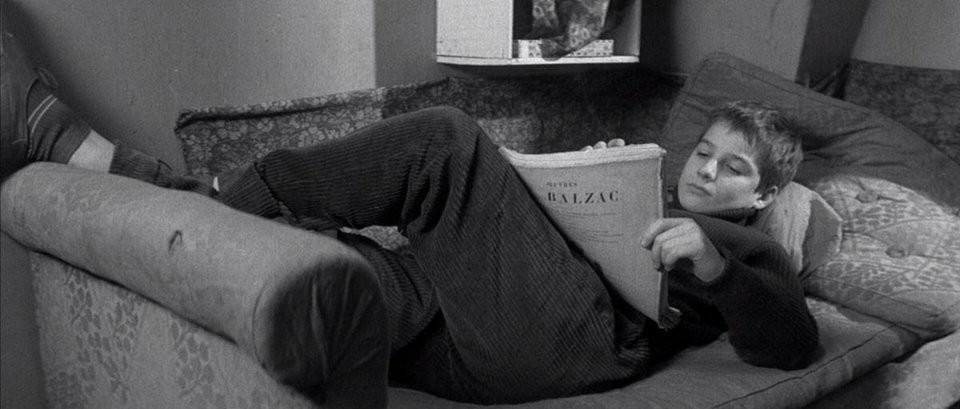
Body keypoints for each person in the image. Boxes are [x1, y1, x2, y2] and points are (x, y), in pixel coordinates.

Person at [1, 27, 818, 407]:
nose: (706, 170)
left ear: (762, 196)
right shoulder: (652, 186)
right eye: (704, 152)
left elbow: (790, 340)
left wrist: (715, 265)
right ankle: (113, 172)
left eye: (732, 168)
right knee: (328, 269)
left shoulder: (749, 247)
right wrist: (589, 179)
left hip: (578, 343)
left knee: (443, 143)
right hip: (476, 330)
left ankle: (173, 178)